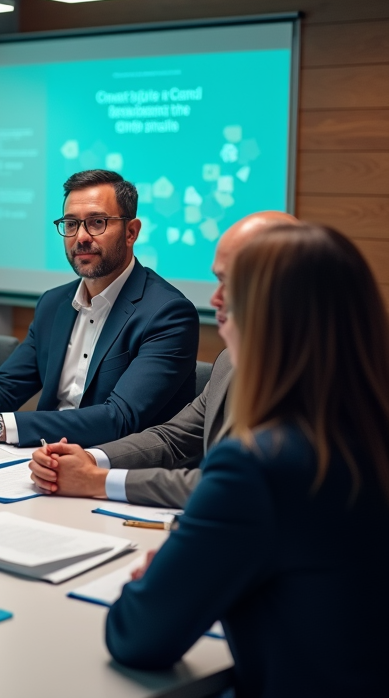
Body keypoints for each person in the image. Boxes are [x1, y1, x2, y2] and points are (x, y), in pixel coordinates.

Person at [106, 224, 389, 696]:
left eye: (230, 287)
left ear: (274, 314)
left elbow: (136, 637)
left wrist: (161, 574)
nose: (214, 299)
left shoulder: (257, 466)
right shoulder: (365, 433)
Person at [29, 211, 298, 506]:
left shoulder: (322, 382)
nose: (215, 298)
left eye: (229, 282)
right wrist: (89, 458)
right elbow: (173, 438)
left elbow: (236, 486)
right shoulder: (229, 363)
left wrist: (96, 480)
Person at [0, 169, 198, 447]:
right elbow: (7, 384)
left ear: (131, 232)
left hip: (112, 472)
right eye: (71, 224)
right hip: (41, 458)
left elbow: (119, 419)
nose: (81, 237)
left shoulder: (167, 314)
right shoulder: (53, 303)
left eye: (97, 222)